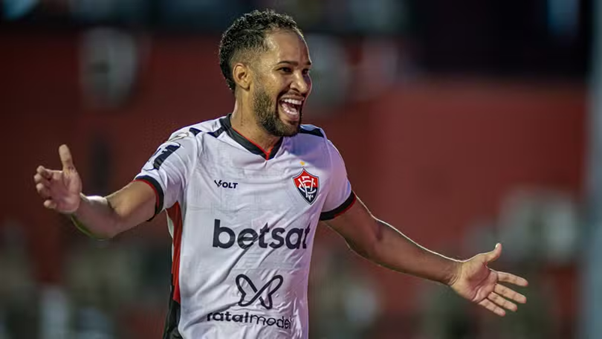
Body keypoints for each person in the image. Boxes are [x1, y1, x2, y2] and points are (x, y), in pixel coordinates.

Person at [33, 9, 528, 339]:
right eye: (286, 70)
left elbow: (372, 237)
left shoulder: (318, 154)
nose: (303, 84)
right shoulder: (194, 150)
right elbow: (116, 214)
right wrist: (80, 206)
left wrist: (453, 272)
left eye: (306, 71)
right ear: (243, 75)